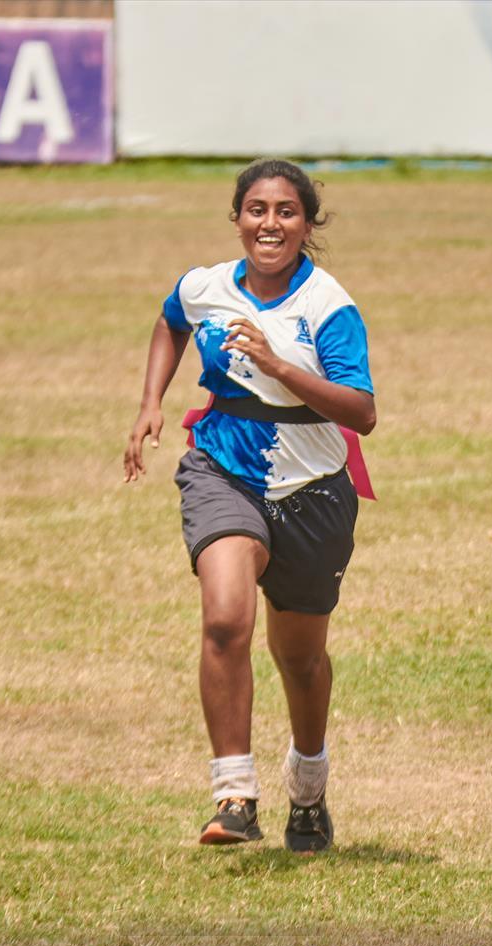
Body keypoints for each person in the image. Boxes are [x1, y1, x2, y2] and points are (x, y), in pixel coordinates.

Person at [122, 158, 376, 853]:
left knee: (300, 658)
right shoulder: (204, 285)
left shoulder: (327, 305)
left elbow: (363, 413)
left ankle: (309, 792)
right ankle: (234, 793)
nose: (270, 224)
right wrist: (151, 402)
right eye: (257, 210)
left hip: (314, 490)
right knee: (226, 621)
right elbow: (171, 319)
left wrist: (281, 366)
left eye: (286, 212)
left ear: (306, 224)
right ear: (237, 218)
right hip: (221, 469)